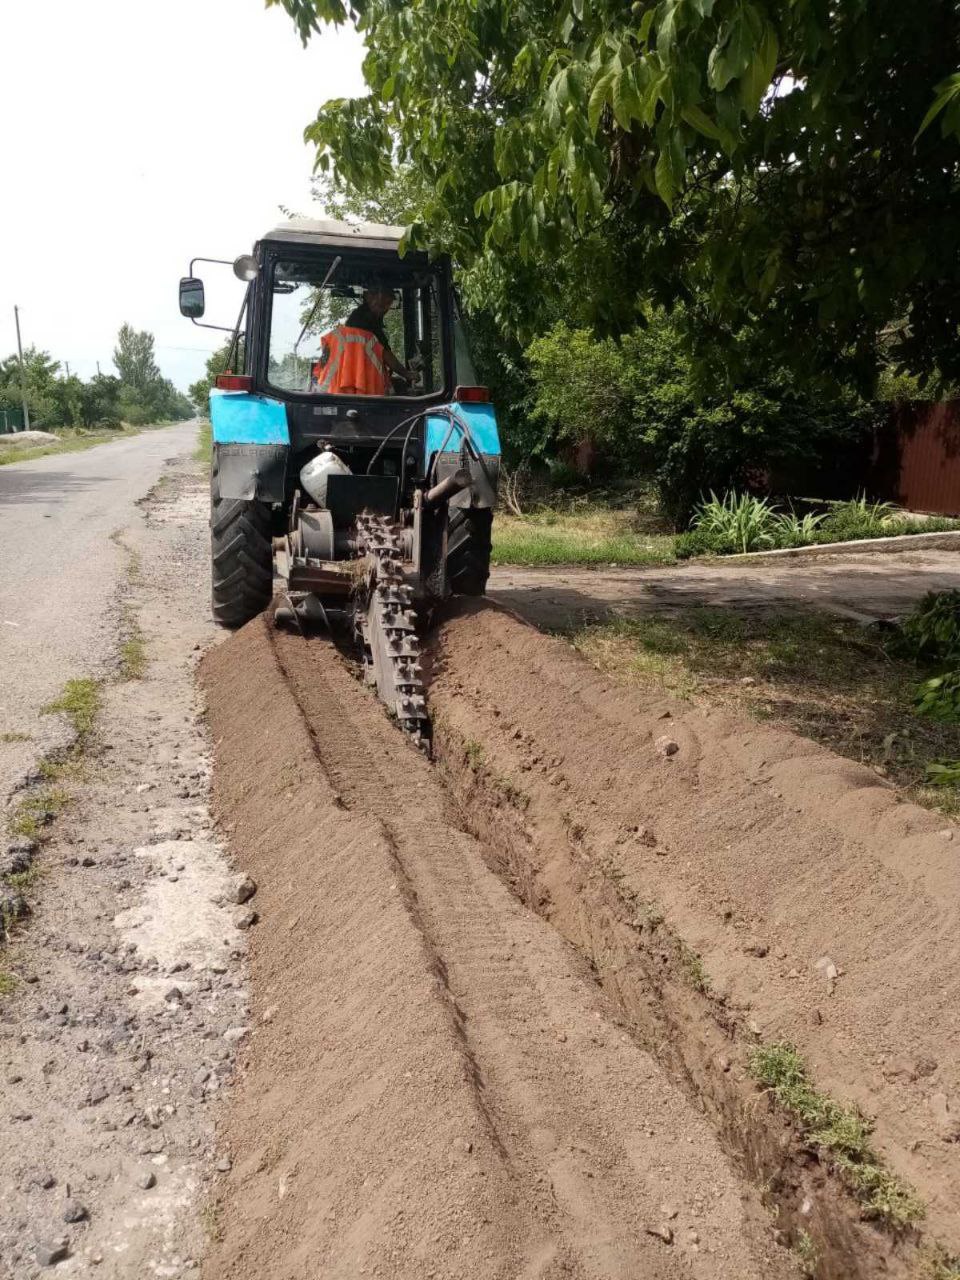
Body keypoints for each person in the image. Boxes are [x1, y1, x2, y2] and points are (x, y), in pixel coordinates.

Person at [311, 284, 413, 396]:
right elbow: (387, 357)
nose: (386, 309)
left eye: (388, 304)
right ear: (370, 298)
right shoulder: (370, 327)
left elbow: (321, 368)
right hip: (368, 396)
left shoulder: (342, 334)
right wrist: (407, 374)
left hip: (330, 394)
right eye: (385, 303)